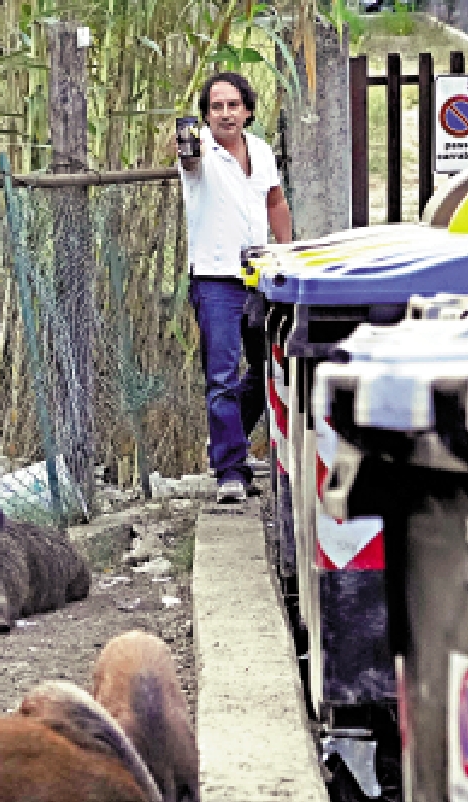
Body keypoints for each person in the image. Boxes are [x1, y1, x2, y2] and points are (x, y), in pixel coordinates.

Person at [174, 70, 292, 505]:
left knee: (268, 370)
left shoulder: (260, 152)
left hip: (260, 274)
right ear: (206, 114)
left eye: (232, 105)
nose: (225, 113)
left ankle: (228, 443)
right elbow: (189, 161)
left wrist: (288, 252)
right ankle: (231, 471)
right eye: (216, 106)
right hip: (215, 279)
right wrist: (186, 145)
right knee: (221, 376)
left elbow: (275, 201)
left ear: (247, 111)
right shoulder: (200, 151)